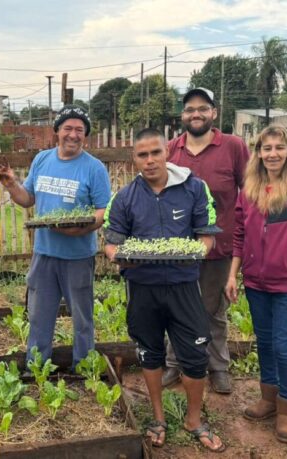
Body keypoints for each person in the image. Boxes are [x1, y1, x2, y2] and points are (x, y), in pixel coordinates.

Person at [104, 128, 224, 452]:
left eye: (155, 152)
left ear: (166, 152)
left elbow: (207, 235)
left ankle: (194, 419)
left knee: (195, 356)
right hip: (143, 288)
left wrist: (197, 251)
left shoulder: (195, 188)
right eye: (142, 155)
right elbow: (111, 244)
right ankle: (158, 417)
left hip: (184, 287)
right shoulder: (125, 197)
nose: (150, 160)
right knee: (149, 352)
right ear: (134, 159)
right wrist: (124, 259)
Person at [225, 126, 287, 444]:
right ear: (258, 153)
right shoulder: (250, 189)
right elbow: (239, 235)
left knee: (284, 346)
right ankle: (268, 399)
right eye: (266, 148)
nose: (272, 154)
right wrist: (232, 274)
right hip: (255, 281)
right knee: (264, 343)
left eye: (279, 148)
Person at [0, 105, 111, 368]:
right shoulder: (42, 160)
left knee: (82, 318)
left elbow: (102, 210)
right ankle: (37, 367)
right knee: (39, 316)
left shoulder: (94, 168)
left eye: (79, 130)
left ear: (85, 135)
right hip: (44, 254)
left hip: (78, 256)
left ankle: (83, 367)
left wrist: (80, 229)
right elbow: (28, 199)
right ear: (57, 131)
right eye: (67, 128)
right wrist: (12, 184)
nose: (73, 134)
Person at [164, 87, 250, 394]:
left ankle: (217, 367)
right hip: (178, 248)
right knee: (176, 307)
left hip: (219, 246)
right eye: (189, 109)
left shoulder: (233, 146)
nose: (196, 114)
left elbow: (249, 191)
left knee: (213, 310)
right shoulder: (172, 149)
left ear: (213, 113)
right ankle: (175, 363)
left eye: (203, 108)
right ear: (183, 115)